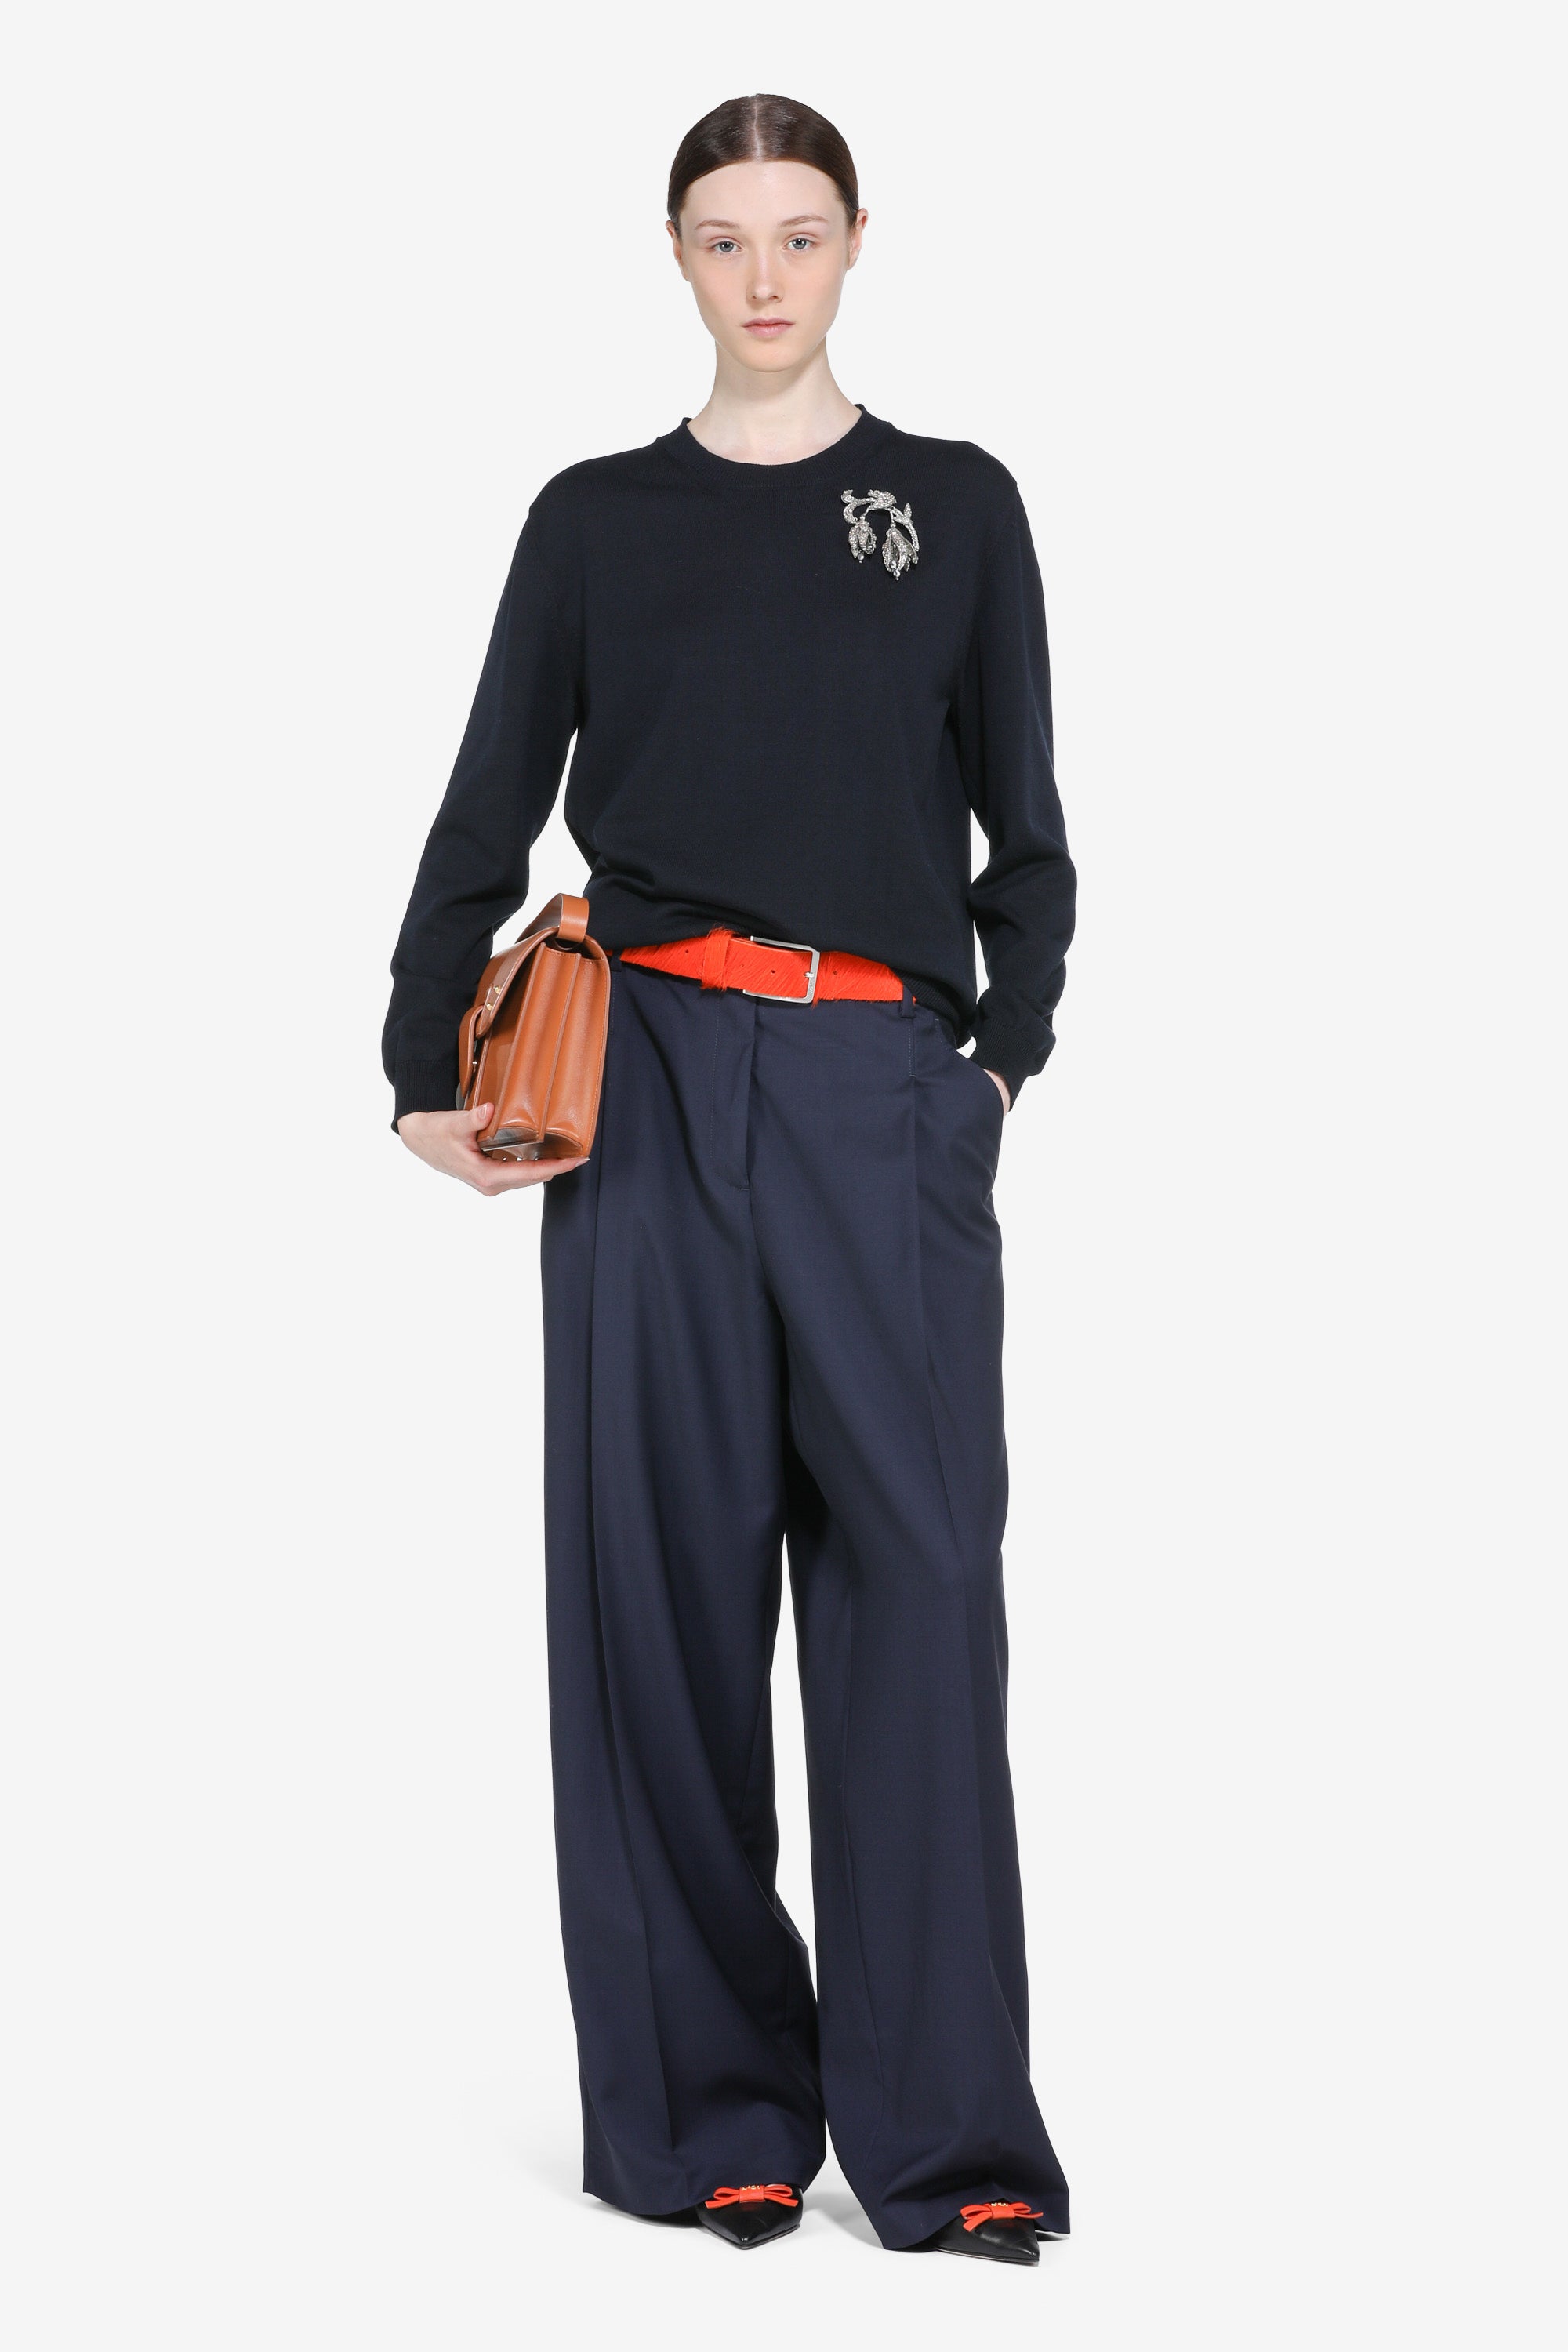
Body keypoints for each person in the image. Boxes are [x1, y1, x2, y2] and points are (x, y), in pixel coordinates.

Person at [384, 93, 1075, 2266]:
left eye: (798, 232)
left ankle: (949, 2143)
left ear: (858, 238)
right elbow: (490, 796)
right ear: (674, 254)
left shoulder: (953, 508)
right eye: (721, 237)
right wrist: (417, 1056)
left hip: (882, 1087)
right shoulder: (595, 522)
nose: (763, 276)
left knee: (922, 1597)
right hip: (653, 1078)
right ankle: (713, 2123)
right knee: (657, 1600)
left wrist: (989, 1067)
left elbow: (1029, 835)